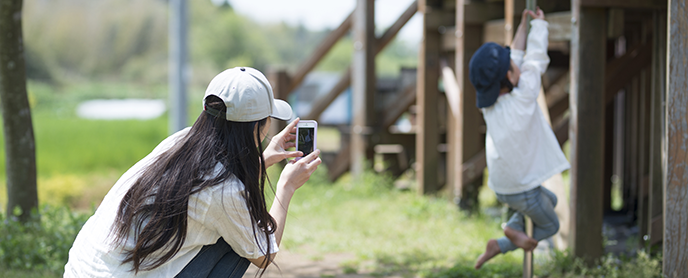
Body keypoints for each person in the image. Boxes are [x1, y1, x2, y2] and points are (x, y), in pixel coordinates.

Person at [64, 67, 322, 277]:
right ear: (256, 127)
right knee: (241, 240)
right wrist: (286, 187)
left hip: (81, 268)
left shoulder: (181, 141)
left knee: (234, 228)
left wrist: (262, 159)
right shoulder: (225, 192)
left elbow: (211, 189)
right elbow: (263, 255)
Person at [468, 8, 570, 269]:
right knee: (551, 224)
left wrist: (524, 25)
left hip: (503, 185)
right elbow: (535, 58)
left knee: (552, 200)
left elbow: (515, 55)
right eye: (512, 65)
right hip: (522, 188)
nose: (516, 62)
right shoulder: (525, 95)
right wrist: (540, 27)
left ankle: (512, 228)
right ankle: (503, 243)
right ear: (510, 77)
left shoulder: (489, 106)